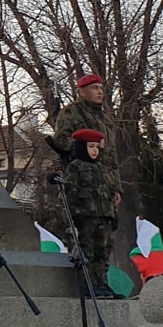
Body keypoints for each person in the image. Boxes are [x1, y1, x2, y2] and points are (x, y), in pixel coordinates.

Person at [64, 128, 118, 298]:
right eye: (90, 146)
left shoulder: (102, 169)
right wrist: (76, 214)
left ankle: (102, 284)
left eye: (96, 147)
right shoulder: (76, 167)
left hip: (104, 216)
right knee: (87, 252)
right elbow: (71, 192)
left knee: (102, 252)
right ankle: (88, 285)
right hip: (86, 217)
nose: (94, 150)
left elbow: (110, 194)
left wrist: (113, 215)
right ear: (82, 147)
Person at [50, 73, 121, 198]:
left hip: (106, 185)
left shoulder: (105, 119)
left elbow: (112, 157)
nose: (99, 92)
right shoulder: (71, 112)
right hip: (82, 182)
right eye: (94, 88)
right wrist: (84, 145)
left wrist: (116, 188)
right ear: (82, 92)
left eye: (100, 88)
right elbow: (60, 140)